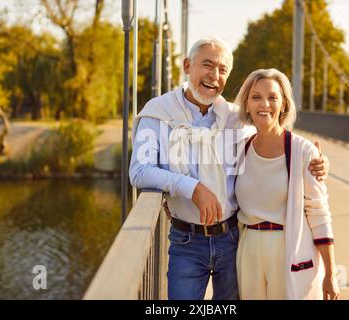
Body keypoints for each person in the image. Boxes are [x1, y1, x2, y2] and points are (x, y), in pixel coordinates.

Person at [129, 38, 329, 300]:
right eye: (207, 65)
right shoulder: (157, 113)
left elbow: (274, 139)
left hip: (234, 239)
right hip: (185, 241)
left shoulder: (237, 118)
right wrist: (192, 188)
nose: (214, 75)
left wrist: (314, 160)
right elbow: (139, 171)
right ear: (187, 66)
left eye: (222, 70)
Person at [234, 68, 340, 300]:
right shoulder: (239, 149)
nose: (264, 104)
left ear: (283, 104)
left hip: (289, 248)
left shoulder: (304, 151)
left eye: (272, 97)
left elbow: (319, 213)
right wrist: (177, 200)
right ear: (247, 104)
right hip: (249, 250)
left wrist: (331, 273)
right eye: (256, 97)